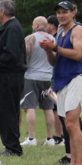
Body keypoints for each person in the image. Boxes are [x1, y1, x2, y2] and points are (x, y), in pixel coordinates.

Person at [40, 0, 82, 165]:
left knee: (72, 124)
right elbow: (55, 61)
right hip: (61, 83)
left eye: (65, 12)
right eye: (59, 12)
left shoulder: (78, 30)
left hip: (75, 79)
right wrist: (48, 51)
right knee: (67, 125)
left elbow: (77, 54)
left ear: (73, 13)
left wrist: (54, 47)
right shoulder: (61, 33)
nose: (61, 15)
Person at [0, 0, 27, 156]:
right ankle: (11, 145)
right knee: (7, 111)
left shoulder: (12, 28)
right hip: (6, 76)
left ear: (2, 12)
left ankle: (12, 147)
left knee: (8, 111)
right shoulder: (9, 28)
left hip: (9, 76)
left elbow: (11, 53)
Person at [21, 16, 58, 146]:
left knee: (30, 107)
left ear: (36, 25)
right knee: (48, 107)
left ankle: (31, 138)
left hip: (32, 76)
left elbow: (24, 56)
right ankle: (50, 138)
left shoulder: (30, 38)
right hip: (48, 77)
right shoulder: (53, 39)